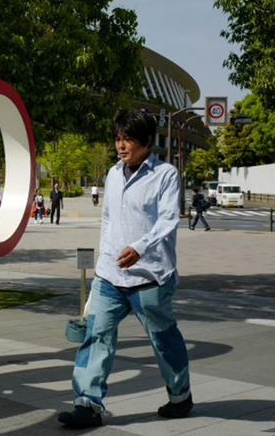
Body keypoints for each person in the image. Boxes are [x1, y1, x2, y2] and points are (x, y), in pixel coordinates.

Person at [58, 109, 192, 429]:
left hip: (150, 276)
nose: (121, 145)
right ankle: (87, 404)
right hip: (110, 276)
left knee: (163, 339)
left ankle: (179, 395)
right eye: (117, 138)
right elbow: (107, 220)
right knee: (97, 334)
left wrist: (140, 247)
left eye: (128, 138)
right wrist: (103, 263)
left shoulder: (166, 175)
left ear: (147, 140)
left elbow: (168, 220)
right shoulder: (113, 173)